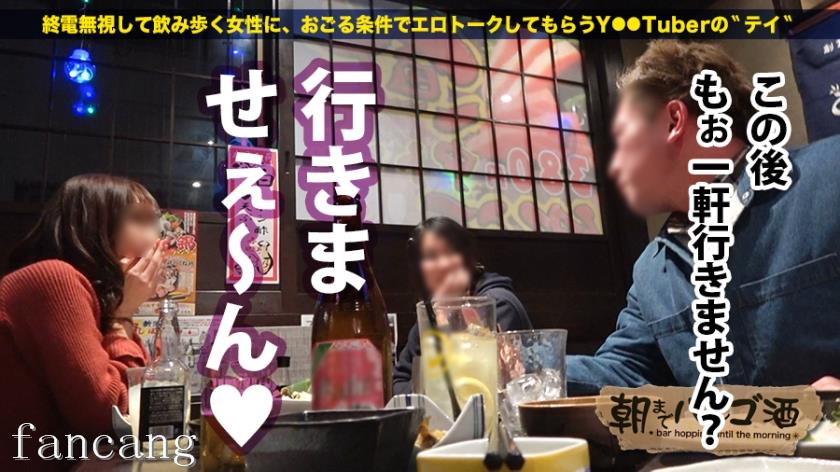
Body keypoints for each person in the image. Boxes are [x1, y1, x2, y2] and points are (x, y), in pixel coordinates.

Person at [566, 40, 840, 396]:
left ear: (673, 121)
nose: (615, 163)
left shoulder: (829, 177)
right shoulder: (653, 272)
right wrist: (521, 366)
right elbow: (626, 372)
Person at [0, 174, 165, 465]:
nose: (155, 237)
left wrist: (121, 314)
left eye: (155, 222)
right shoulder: (54, 279)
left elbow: (143, 401)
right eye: (139, 219)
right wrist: (122, 317)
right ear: (94, 225)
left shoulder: (96, 298)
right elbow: (111, 417)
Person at [393, 216, 532, 395]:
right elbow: (398, 383)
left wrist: (443, 319)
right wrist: (427, 385)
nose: (443, 264)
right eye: (431, 256)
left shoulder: (496, 303)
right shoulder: (428, 315)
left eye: (450, 252)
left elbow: (475, 381)